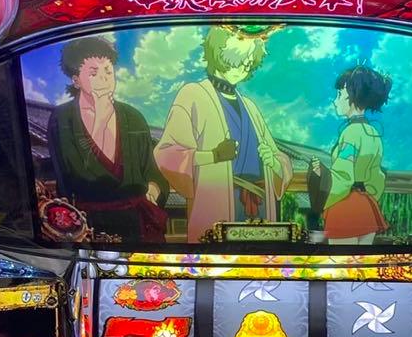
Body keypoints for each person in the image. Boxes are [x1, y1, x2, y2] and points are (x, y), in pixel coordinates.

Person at [154, 25, 292, 242]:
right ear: (217, 54)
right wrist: (213, 156)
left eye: (248, 63)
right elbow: (167, 153)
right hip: (215, 205)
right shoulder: (192, 95)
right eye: (237, 60)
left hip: (260, 207)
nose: (243, 68)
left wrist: (273, 162)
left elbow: (280, 159)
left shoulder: (250, 107)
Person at [46, 35, 168, 241]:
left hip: (136, 224)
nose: (104, 78)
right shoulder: (62, 118)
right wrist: (100, 121)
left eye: (108, 71)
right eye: (94, 73)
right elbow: (75, 176)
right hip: (86, 227)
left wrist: (153, 190)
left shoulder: (133, 117)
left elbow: (151, 172)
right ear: (76, 80)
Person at [310, 65, 392, 245]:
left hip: (345, 209)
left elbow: (344, 175)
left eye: (339, 95)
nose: (335, 101)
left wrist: (321, 180)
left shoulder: (350, 134)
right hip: (367, 208)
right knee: (362, 261)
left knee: (341, 260)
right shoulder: (373, 133)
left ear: (353, 97)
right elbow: (377, 176)